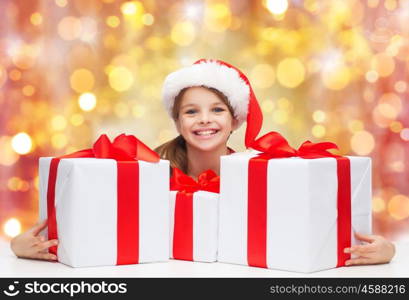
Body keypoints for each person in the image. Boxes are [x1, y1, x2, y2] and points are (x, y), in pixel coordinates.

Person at [11, 59, 395, 266]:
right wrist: (18, 246)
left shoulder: (267, 175)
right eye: (191, 111)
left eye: (216, 110)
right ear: (177, 121)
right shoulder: (145, 173)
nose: (205, 119)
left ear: (235, 120)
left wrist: (385, 252)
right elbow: (85, 221)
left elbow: (314, 222)